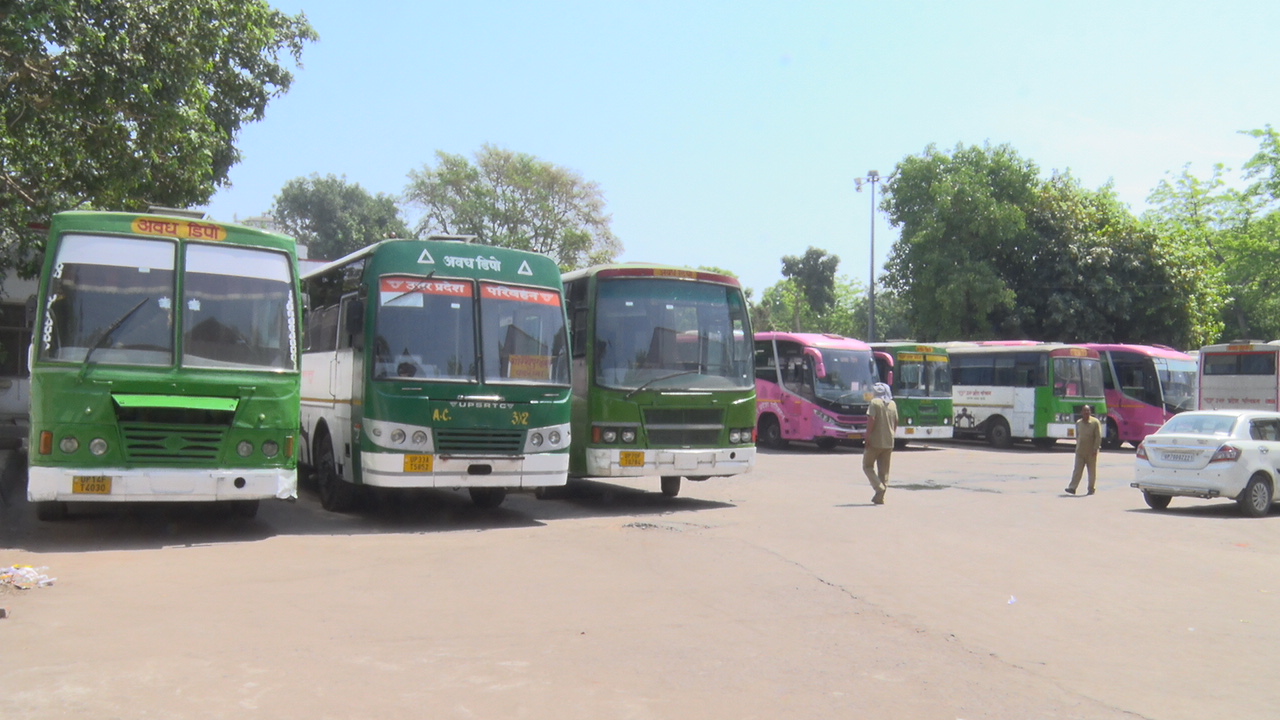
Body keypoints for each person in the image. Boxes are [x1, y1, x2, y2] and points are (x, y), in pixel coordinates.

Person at [863, 382, 899, 505]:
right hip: (889, 441)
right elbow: (896, 421)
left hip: (875, 441)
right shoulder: (893, 404)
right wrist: (891, 434)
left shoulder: (874, 403)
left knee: (867, 466)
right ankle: (880, 497)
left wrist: (867, 436)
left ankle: (879, 488)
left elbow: (871, 419)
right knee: (884, 471)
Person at [1065, 404, 1103, 495]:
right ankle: (1072, 488)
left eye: (1088, 411)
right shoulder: (1079, 423)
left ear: (1090, 412)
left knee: (1091, 472)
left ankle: (1091, 488)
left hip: (1091, 452)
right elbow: (1078, 436)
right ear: (1081, 412)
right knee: (1077, 470)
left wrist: (1095, 448)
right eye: (1084, 411)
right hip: (1080, 451)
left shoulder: (1095, 422)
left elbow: (1098, 436)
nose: (1086, 412)